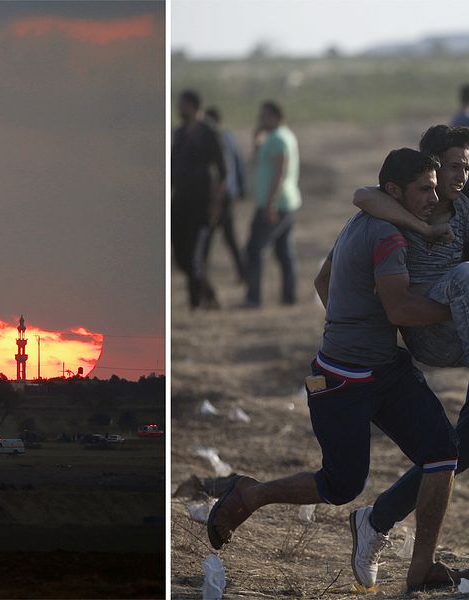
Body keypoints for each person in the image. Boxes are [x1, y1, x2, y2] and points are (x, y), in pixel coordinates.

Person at [207, 148, 459, 592]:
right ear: (394, 191)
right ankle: (251, 494)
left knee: (442, 454)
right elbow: (400, 308)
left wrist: (353, 322)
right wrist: (457, 309)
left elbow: (322, 280)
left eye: (436, 190)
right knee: (342, 485)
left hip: (387, 370)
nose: (432, 198)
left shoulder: (369, 222)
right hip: (342, 379)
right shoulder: (387, 235)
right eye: (425, 190)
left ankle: (421, 571)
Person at [348, 125, 469, 589]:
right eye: (454, 165)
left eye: (466, 166)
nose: (461, 175)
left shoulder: (461, 207)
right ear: (433, 164)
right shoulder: (404, 203)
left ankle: (376, 520)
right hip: (434, 331)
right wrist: (421, 228)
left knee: (457, 451)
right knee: (463, 274)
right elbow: (363, 195)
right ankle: (378, 522)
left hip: (458, 321)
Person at [241, 101, 301, 307]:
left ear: (276, 116)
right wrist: (256, 140)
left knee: (254, 249)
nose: (260, 119)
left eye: (264, 115)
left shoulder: (277, 139)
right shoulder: (283, 135)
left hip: (274, 204)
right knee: (284, 251)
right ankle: (289, 296)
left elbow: (279, 172)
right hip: (286, 202)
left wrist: (270, 204)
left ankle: (253, 298)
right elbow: (261, 160)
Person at [171, 90, 226, 309]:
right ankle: (208, 292)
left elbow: (222, 172)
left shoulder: (208, 132)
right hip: (180, 203)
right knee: (180, 256)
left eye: (182, 105)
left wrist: (215, 205)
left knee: (197, 259)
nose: (178, 109)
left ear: (193, 107)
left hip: (202, 205)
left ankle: (196, 303)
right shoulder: (179, 133)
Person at [204, 106, 246, 282]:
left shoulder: (212, 139)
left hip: (219, 196)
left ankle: (201, 278)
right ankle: (242, 273)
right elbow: (239, 163)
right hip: (228, 194)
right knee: (229, 239)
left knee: (207, 239)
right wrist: (241, 188)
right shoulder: (228, 137)